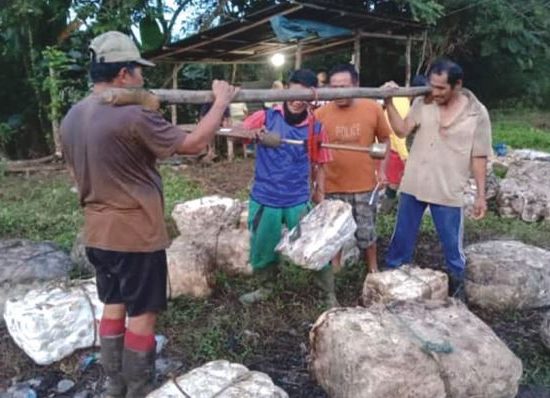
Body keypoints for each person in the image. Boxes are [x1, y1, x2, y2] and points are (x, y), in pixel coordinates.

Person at [60, 31, 237, 397]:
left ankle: (113, 386)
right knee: (142, 313)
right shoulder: (132, 115)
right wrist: (221, 102)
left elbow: (77, 174)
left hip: (96, 232)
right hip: (135, 235)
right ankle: (137, 390)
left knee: (113, 303)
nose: (142, 77)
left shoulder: (73, 116)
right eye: (138, 71)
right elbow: (192, 144)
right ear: (123, 74)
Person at [383, 58, 492, 296]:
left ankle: (458, 289)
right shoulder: (423, 102)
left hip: (448, 188)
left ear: (457, 85)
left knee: (452, 247)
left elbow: (479, 156)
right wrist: (389, 102)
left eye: (442, 88)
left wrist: (481, 196)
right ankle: (389, 285)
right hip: (414, 183)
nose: (436, 92)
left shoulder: (477, 113)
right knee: (401, 240)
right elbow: (401, 130)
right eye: (432, 85)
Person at [239, 69, 337, 307]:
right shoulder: (265, 116)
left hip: (297, 197)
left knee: (314, 245)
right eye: (293, 94)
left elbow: (320, 163)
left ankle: (328, 293)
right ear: (285, 91)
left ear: (312, 98)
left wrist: (320, 195)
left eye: (304, 96)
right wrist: (253, 133)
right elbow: (234, 133)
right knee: (263, 247)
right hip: (265, 197)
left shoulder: (315, 127)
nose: (296, 101)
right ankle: (266, 287)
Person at [315, 64, 392, 273]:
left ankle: (373, 269)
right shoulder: (320, 114)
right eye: (334, 87)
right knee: (334, 231)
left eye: (344, 86)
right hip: (332, 184)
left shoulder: (372, 108)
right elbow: (314, 151)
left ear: (356, 84)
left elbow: (385, 139)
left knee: (366, 231)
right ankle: (336, 269)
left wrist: (382, 170)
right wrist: (317, 187)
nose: (339, 92)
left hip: (364, 184)